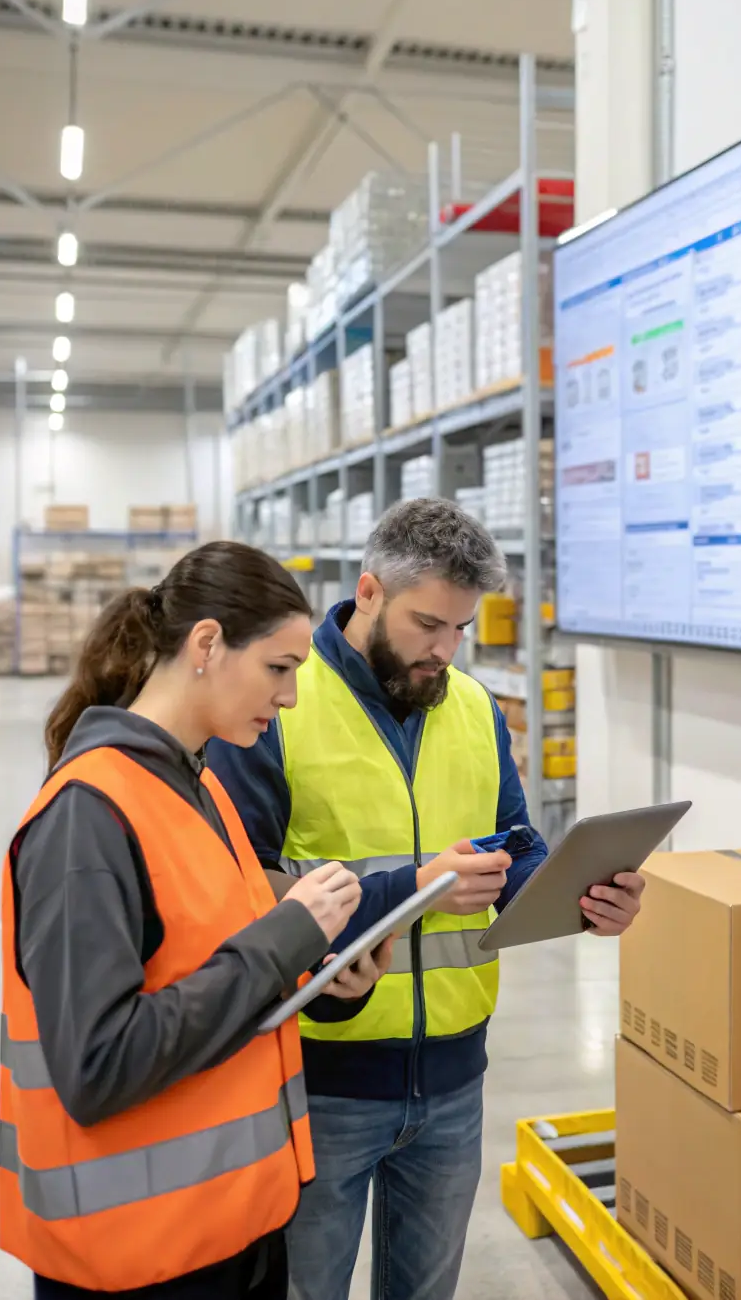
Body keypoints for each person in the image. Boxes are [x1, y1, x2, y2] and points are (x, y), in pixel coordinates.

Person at [208, 500, 646, 1300]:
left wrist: (580, 899)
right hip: (319, 1081)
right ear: (369, 592)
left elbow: (515, 848)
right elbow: (242, 889)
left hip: (452, 1079)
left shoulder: (474, 707)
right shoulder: (279, 702)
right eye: (427, 625)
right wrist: (414, 887)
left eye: (461, 630)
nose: (444, 651)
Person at [0, 541, 397, 1300]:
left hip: (230, 1234)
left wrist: (326, 974)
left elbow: (211, 965)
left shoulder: (200, 784)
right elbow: (98, 1065)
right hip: (136, 1261)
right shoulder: (88, 818)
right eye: (279, 668)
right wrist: (283, 941)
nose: (290, 699)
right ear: (207, 644)